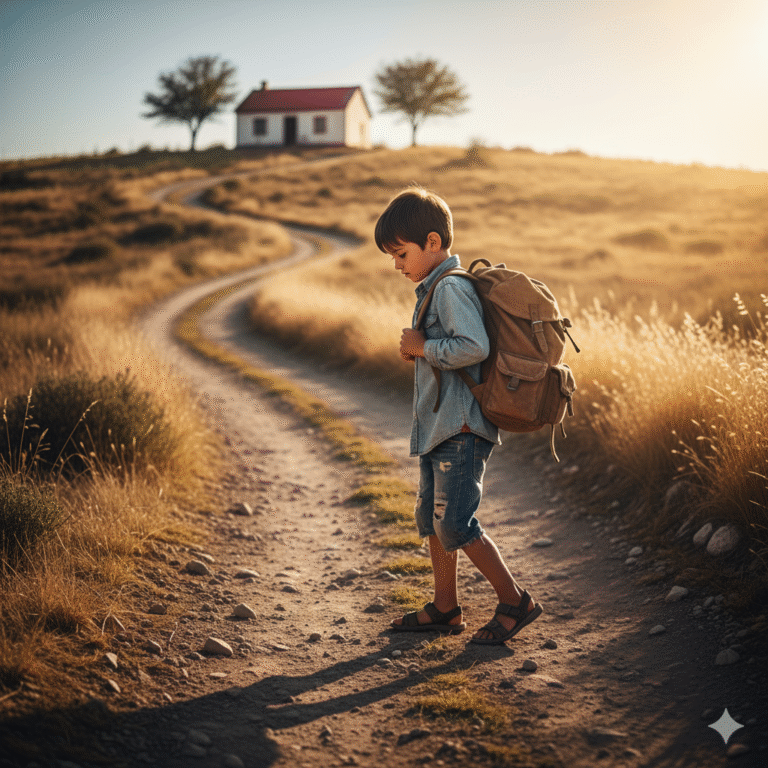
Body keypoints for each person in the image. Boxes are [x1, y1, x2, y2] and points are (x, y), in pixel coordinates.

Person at [374, 186, 543, 645]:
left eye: (401, 253)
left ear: (433, 243)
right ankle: (445, 608)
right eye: (392, 256)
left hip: (462, 427)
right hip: (441, 426)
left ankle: (515, 601)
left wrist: (423, 347)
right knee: (431, 517)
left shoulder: (450, 287)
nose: (396, 264)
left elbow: (474, 347)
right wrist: (425, 352)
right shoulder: (433, 287)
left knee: (455, 522)